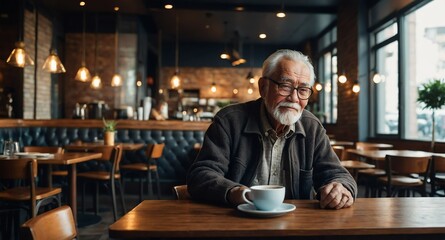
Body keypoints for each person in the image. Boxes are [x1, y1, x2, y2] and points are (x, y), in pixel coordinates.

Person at [186, 49, 357, 210]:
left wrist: (340, 187)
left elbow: (338, 174)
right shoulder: (229, 121)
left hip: (297, 224)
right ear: (263, 87)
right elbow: (201, 174)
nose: (294, 98)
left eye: (303, 90)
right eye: (285, 86)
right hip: (238, 219)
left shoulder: (311, 127)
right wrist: (235, 192)